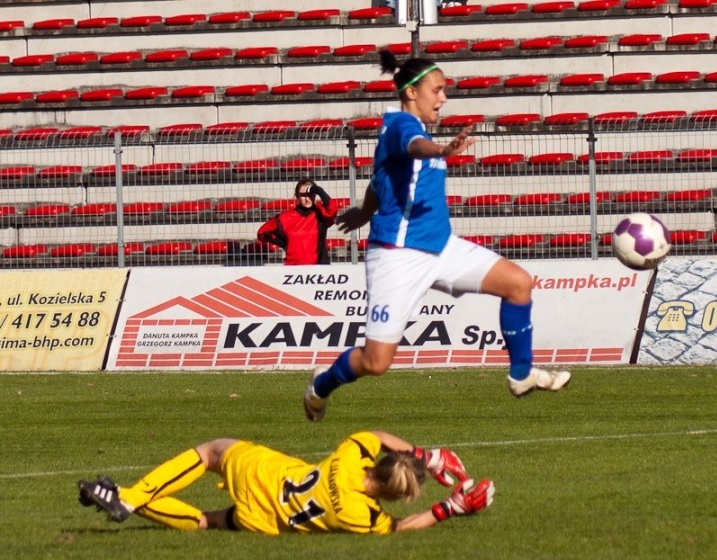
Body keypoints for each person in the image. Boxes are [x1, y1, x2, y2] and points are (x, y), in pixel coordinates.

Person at [303, 49, 570, 422]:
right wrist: (442, 149)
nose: (443, 98)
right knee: (375, 362)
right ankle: (321, 385)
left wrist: (365, 209)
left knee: (518, 283)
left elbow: (381, 183)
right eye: (438, 90)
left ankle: (521, 374)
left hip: (442, 247)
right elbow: (416, 147)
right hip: (398, 256)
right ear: (412, 92)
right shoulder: (401, 127)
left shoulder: (414, 132)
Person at [77, 430, 494, 535]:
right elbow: (402, 527)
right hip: (268, 520)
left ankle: (127, 498)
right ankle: (121, 499)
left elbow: (378, 434)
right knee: (208, 521)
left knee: (210, 452)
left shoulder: (349, 457)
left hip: (263, 473)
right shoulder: (361, 515)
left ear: (378, 467)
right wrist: (450, 508)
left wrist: (428, 456)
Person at [257, 177, 338, 265]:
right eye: (303, 195)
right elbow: (262, 233)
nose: (307, 199)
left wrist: (320, 191)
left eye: (310, 194)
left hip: (318, 268)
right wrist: (284, 243)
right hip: (293, 269)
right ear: (297, 196)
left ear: (315, 195)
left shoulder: (321, 215)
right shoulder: (285, 217)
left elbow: (332, 209)